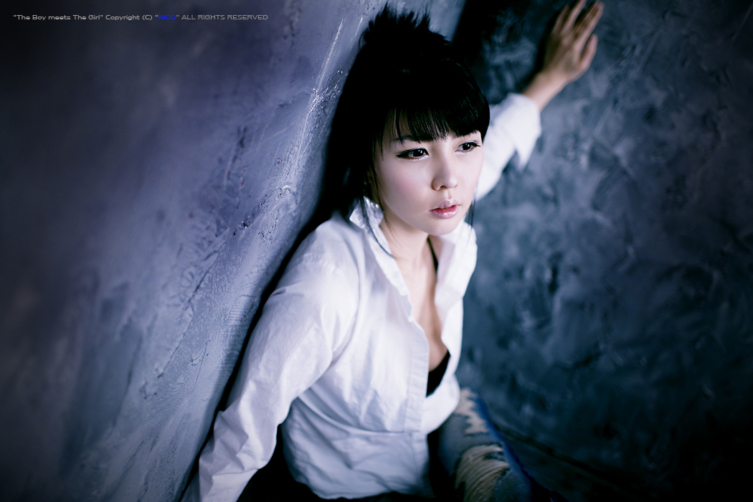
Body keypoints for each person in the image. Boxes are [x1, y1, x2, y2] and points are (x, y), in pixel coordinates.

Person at [188, 1, 602, 501]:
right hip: (358, 492)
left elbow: (491, 148)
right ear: (367, 165)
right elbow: (242, 438)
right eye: (415, 152)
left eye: (465, 145)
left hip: (441, 433)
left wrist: (550, 79)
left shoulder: (440, 218)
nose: (450, 179)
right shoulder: (328, 283)